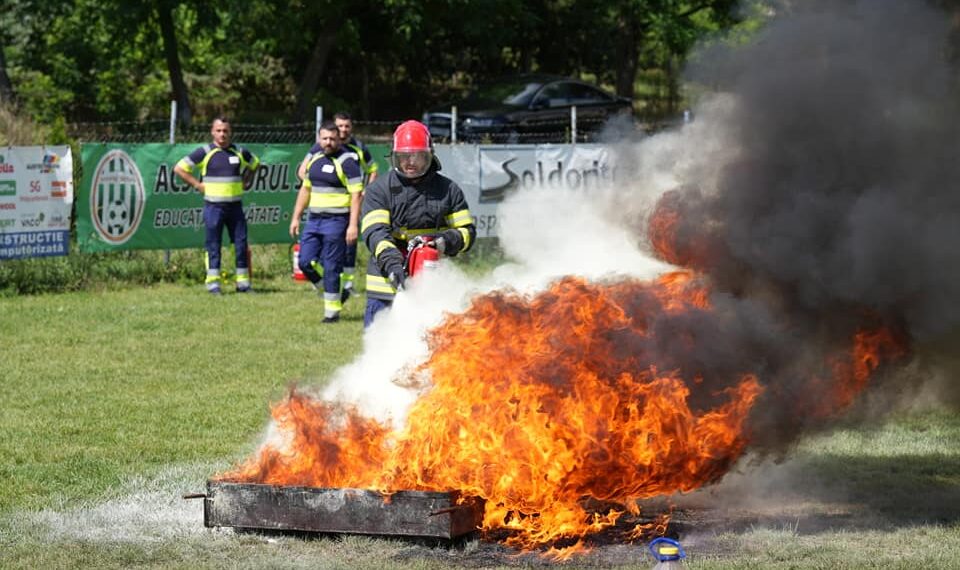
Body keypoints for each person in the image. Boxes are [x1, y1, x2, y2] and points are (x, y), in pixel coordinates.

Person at [360, 120, 476, 327]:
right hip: (386, 285)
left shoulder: (449, 190)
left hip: (431, 284)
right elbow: (375, 233)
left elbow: (467, 232)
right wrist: (394, 265)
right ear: (395, 157)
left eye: (417, 156)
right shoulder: (379, 190)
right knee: (381, 348)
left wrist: (443, 242)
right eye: (404, 157)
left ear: (429, 156)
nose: (410, 162)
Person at [298, 112, 378, 302]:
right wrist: (316, 182)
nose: (343, 130)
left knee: (349, 247)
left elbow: (373, 170)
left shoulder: (358, 148)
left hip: (350, 203)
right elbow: (303, 170)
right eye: (339, 126)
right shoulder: (320, 148)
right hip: (324, 208)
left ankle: (347, 285)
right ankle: (332, 285)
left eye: (346, 126)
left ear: (351, 128)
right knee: (320, 254)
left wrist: (365, 190)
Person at [174, 116, 260, 294]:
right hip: (214, 207)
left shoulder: (240, 152)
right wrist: (198, 185)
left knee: (241, 244)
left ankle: (243, 284)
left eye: (226, 131)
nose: (222, 134)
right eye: (219, 131)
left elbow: (255, 164)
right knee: (213, 244)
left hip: (235, 207)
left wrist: (247, 180)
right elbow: (180, 168)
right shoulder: (204, 152)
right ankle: (213, 283)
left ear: (231, 132)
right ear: (212, 132)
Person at [289, 120, 363, 323]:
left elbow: (357, 195)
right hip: (314, 220)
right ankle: (332, 291)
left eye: (332, 138)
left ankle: (331, 313)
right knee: (304, 261)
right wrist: (296, 217)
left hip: (337, 221)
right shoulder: (314, 160)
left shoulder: (348, 161)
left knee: (331, 266)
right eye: (324, 138)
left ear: (339, 138)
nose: (328, 142)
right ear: (319, 139)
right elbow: (305, 190)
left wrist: (353, 224)